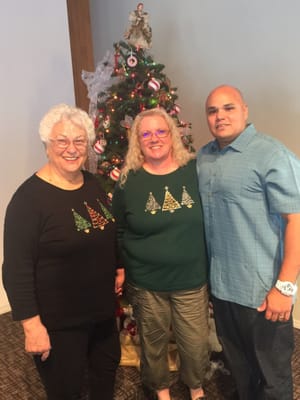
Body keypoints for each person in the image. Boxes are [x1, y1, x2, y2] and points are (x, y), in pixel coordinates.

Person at [2, 104, 124, 400]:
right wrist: (32, 327)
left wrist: (118, 266)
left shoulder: (93, 184)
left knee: (105, 377)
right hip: (59, 323)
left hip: (102, 314)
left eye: (79, 141)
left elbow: (107, 233)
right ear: (47, 146)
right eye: (62, 141)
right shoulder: (28, 200)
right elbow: (15, 269)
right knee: (66, 390)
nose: (71, 149)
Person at [197, 84, 300, 400]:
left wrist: (285, 287)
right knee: (240, 370)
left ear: (245, 110)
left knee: (274, 378)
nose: (220, 116)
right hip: (224, 291)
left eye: (228, 108)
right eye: (212, 110)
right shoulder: (203, 157)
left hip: (263, 294)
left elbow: (295, 221)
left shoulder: (272, 155)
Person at [112, 107, 209, 400]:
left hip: (191, 277)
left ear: (172, 135)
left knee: (195, 343)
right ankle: (161, 390)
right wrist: (120, 268)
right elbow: (118, 229)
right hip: (147, 280)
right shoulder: (128, 181)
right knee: (152, 342)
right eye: (146, 133)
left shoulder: (194, 171)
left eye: (160, 131)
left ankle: (196, 387)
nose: (154, 138)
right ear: (137, 141)